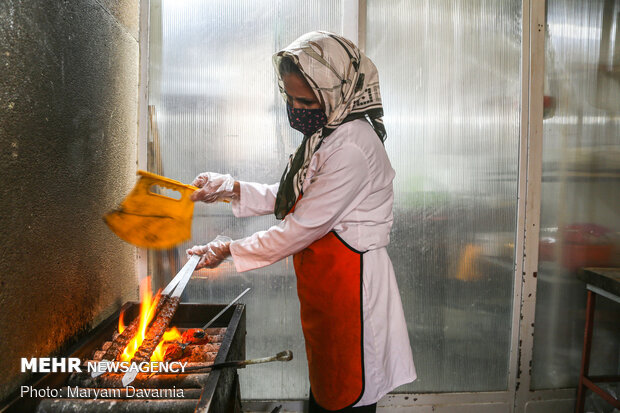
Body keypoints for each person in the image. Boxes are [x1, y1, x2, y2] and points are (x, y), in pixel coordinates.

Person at [187, 31, 416, 412]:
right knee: (327, 387)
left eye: (305, 100)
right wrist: (230, 187)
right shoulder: (327, 136)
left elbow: (301, 227)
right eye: (290, 98)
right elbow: (295, 196)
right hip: (328, 283)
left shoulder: (352, 147)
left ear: (334, 95)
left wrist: (230, 249)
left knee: (349, 393)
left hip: (352, 288)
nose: (296, 108)